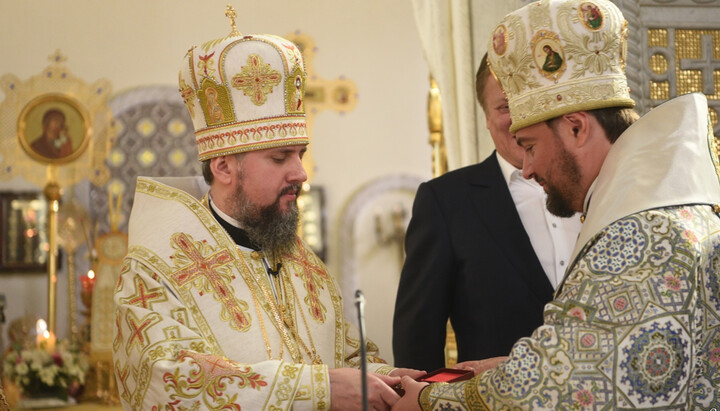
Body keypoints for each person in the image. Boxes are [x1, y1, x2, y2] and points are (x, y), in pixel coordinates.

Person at [394, 0, 720, 409]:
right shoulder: (660, 205)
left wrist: (429, 402)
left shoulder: (638, 234)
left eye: (530, 145)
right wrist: (515, 366)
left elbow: (570, 392)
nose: (526, 168)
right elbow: (599, 359)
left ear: (576, 127)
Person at [112, 14, 421, 410]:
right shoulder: (155, 268)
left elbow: (344, 358)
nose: (301, 173)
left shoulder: (301, 263)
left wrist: (386, 380)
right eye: (279, 158)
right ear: (223, 167)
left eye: (300, 154)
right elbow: (168, 379)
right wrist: (319, 390)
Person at [392, 53, 581, 372]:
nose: (520, 117)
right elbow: (418, 339)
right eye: (505, 106)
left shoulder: (601, 184)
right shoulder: (446, 201)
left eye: (528, 100)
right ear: (485, 117)